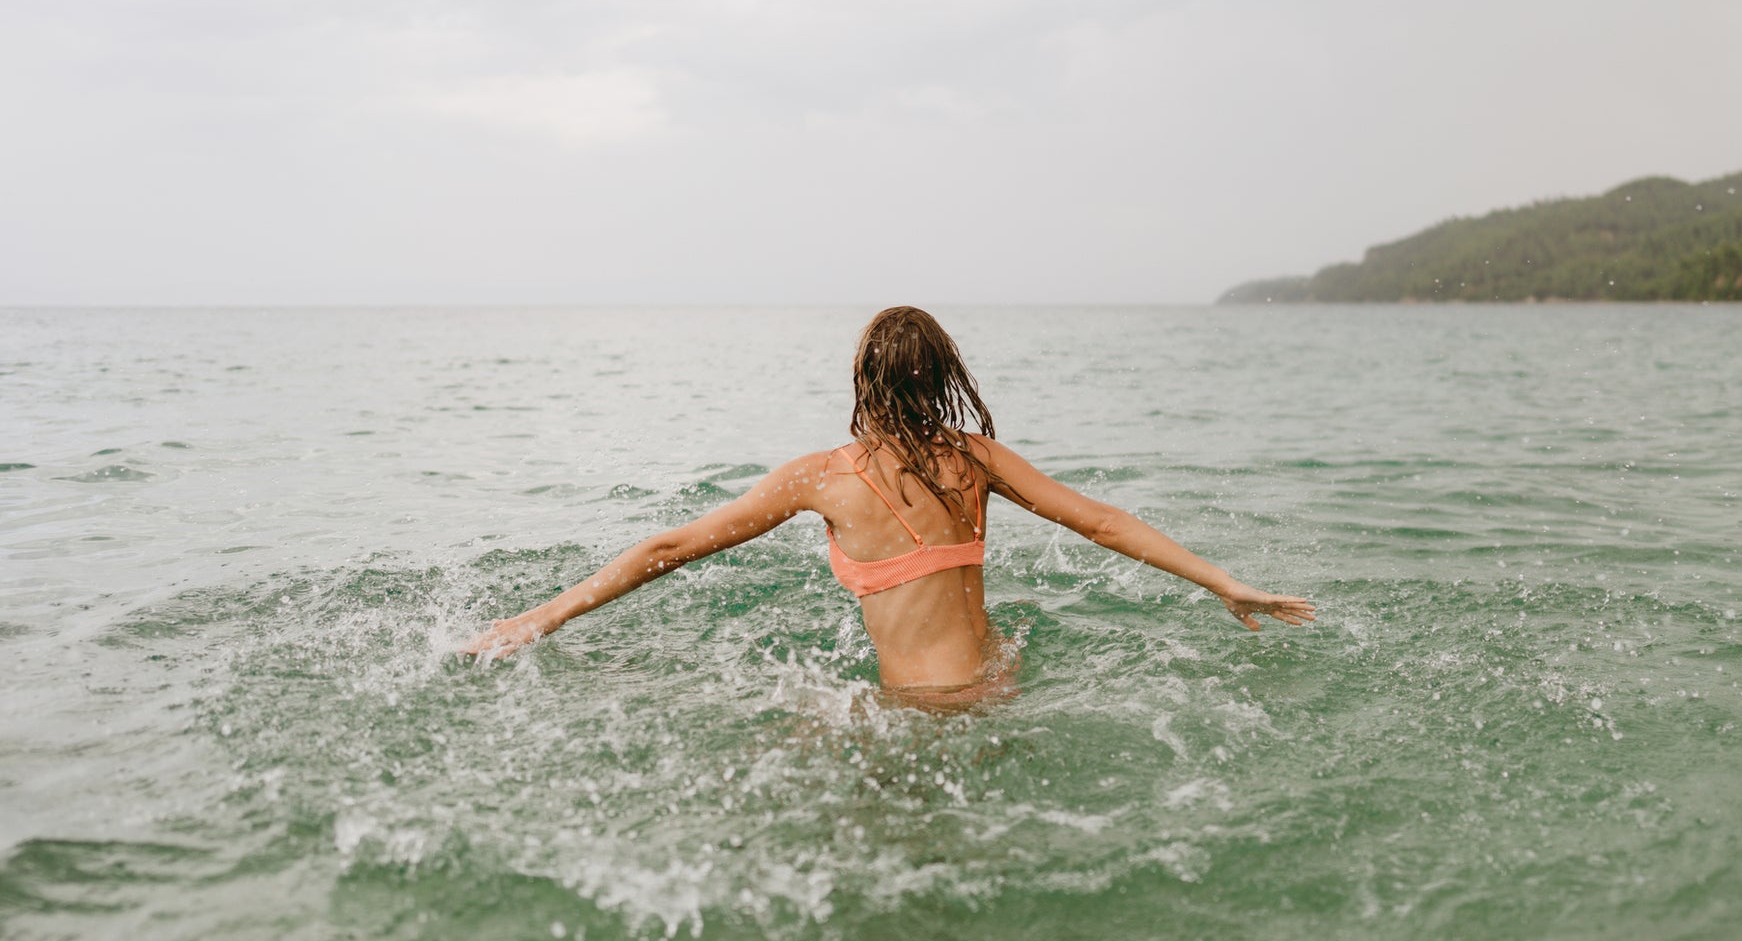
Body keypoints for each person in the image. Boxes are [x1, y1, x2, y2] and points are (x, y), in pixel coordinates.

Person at [460, 307, 1313, 705]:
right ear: (945, 380)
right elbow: (1100, 520)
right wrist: (1223, 582)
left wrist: (541, 617)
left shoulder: (822, 478)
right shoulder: (975, 459)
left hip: (918, 713)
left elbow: (667, 549)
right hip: (999, 692)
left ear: (863, 381)